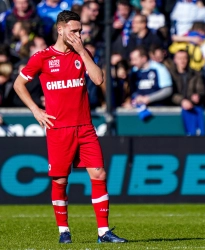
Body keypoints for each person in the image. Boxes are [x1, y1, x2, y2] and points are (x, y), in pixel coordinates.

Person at [13, 10, 127, 244]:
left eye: (80, 31)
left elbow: (98, 79)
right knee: (60, 181)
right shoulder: (42, 57)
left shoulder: (81, 55)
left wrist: (82, 51)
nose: (77, 34)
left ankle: (103, 232)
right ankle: (64, 231)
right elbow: (18, 84)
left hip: (85, 126)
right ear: (60, 29)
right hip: (59, 128)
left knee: (99, 173)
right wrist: (36, 110)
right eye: (73, 30)